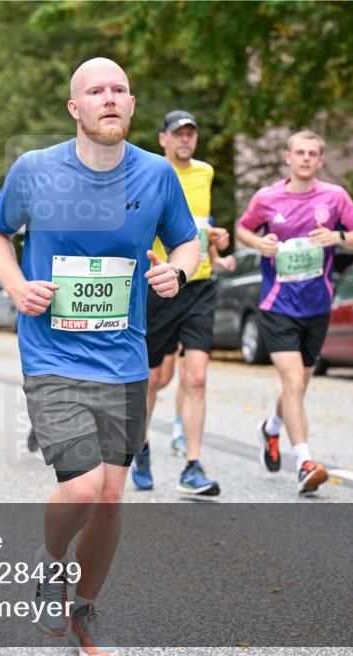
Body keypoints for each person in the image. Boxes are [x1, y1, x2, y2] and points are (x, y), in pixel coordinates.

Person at [0, 58, 199, 656]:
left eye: (120, 90)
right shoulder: (35, 171)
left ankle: (85, 610)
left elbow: (187, 238)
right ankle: (51, 565)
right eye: (95, 91)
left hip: (124, 357)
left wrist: (176, 269)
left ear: (132, 106)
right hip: (51, 354)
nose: (110, 98)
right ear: (74, 109)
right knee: (82, 485)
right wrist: (15, 284)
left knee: (110, 498)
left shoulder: (156, 176)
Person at [235, 129, 353, 494]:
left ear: (321, 160)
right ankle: (305, 463)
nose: (306, 158)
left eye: (313, 153)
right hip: (277, 305)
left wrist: (337, 238)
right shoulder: (267, 198)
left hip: (317, 305)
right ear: (288, 158)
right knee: (293, 381)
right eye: (300, 152)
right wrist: (259, 242)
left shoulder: (335, 197)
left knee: (300, 383)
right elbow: (243, 229)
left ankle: (271, 428)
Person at [131, 110, 236, 497]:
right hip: (160, 283)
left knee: (197, 376)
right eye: (178, 134)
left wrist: (215, 243)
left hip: (200, 284)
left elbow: (197, 226)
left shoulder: (206, 173)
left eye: (191, 134)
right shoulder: (150, 173)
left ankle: (193, 465)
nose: (185, 141)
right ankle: (139, 445)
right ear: (162, 139)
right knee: (154, 378)